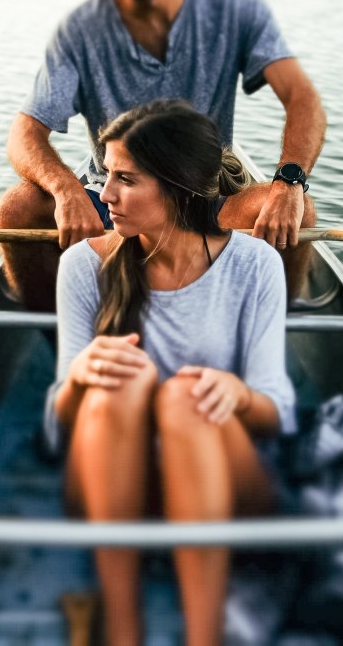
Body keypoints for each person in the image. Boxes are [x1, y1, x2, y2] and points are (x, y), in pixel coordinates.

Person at [0, 0, 326, 310]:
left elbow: (302, 97)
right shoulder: (80, 32)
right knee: (15, 210)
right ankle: (56, 333)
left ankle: (276, 328)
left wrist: (289, 182)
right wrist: (64, 190)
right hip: (114, 198)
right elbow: (24, 132)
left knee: (299, 211)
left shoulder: (234, 9)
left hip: (207, 198)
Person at [46, 100, 296, 646]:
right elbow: (60, 422)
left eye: (125, 180)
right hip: (108, 490)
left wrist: (236, 394)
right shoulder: (83, 265)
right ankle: (124, 632)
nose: (105, 195)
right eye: (105, 176)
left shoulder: (255, 265)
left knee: (187, 397)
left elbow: (275, 414)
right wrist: (83, 375)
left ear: (179, 188)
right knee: (119, 382)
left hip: (220, 486)